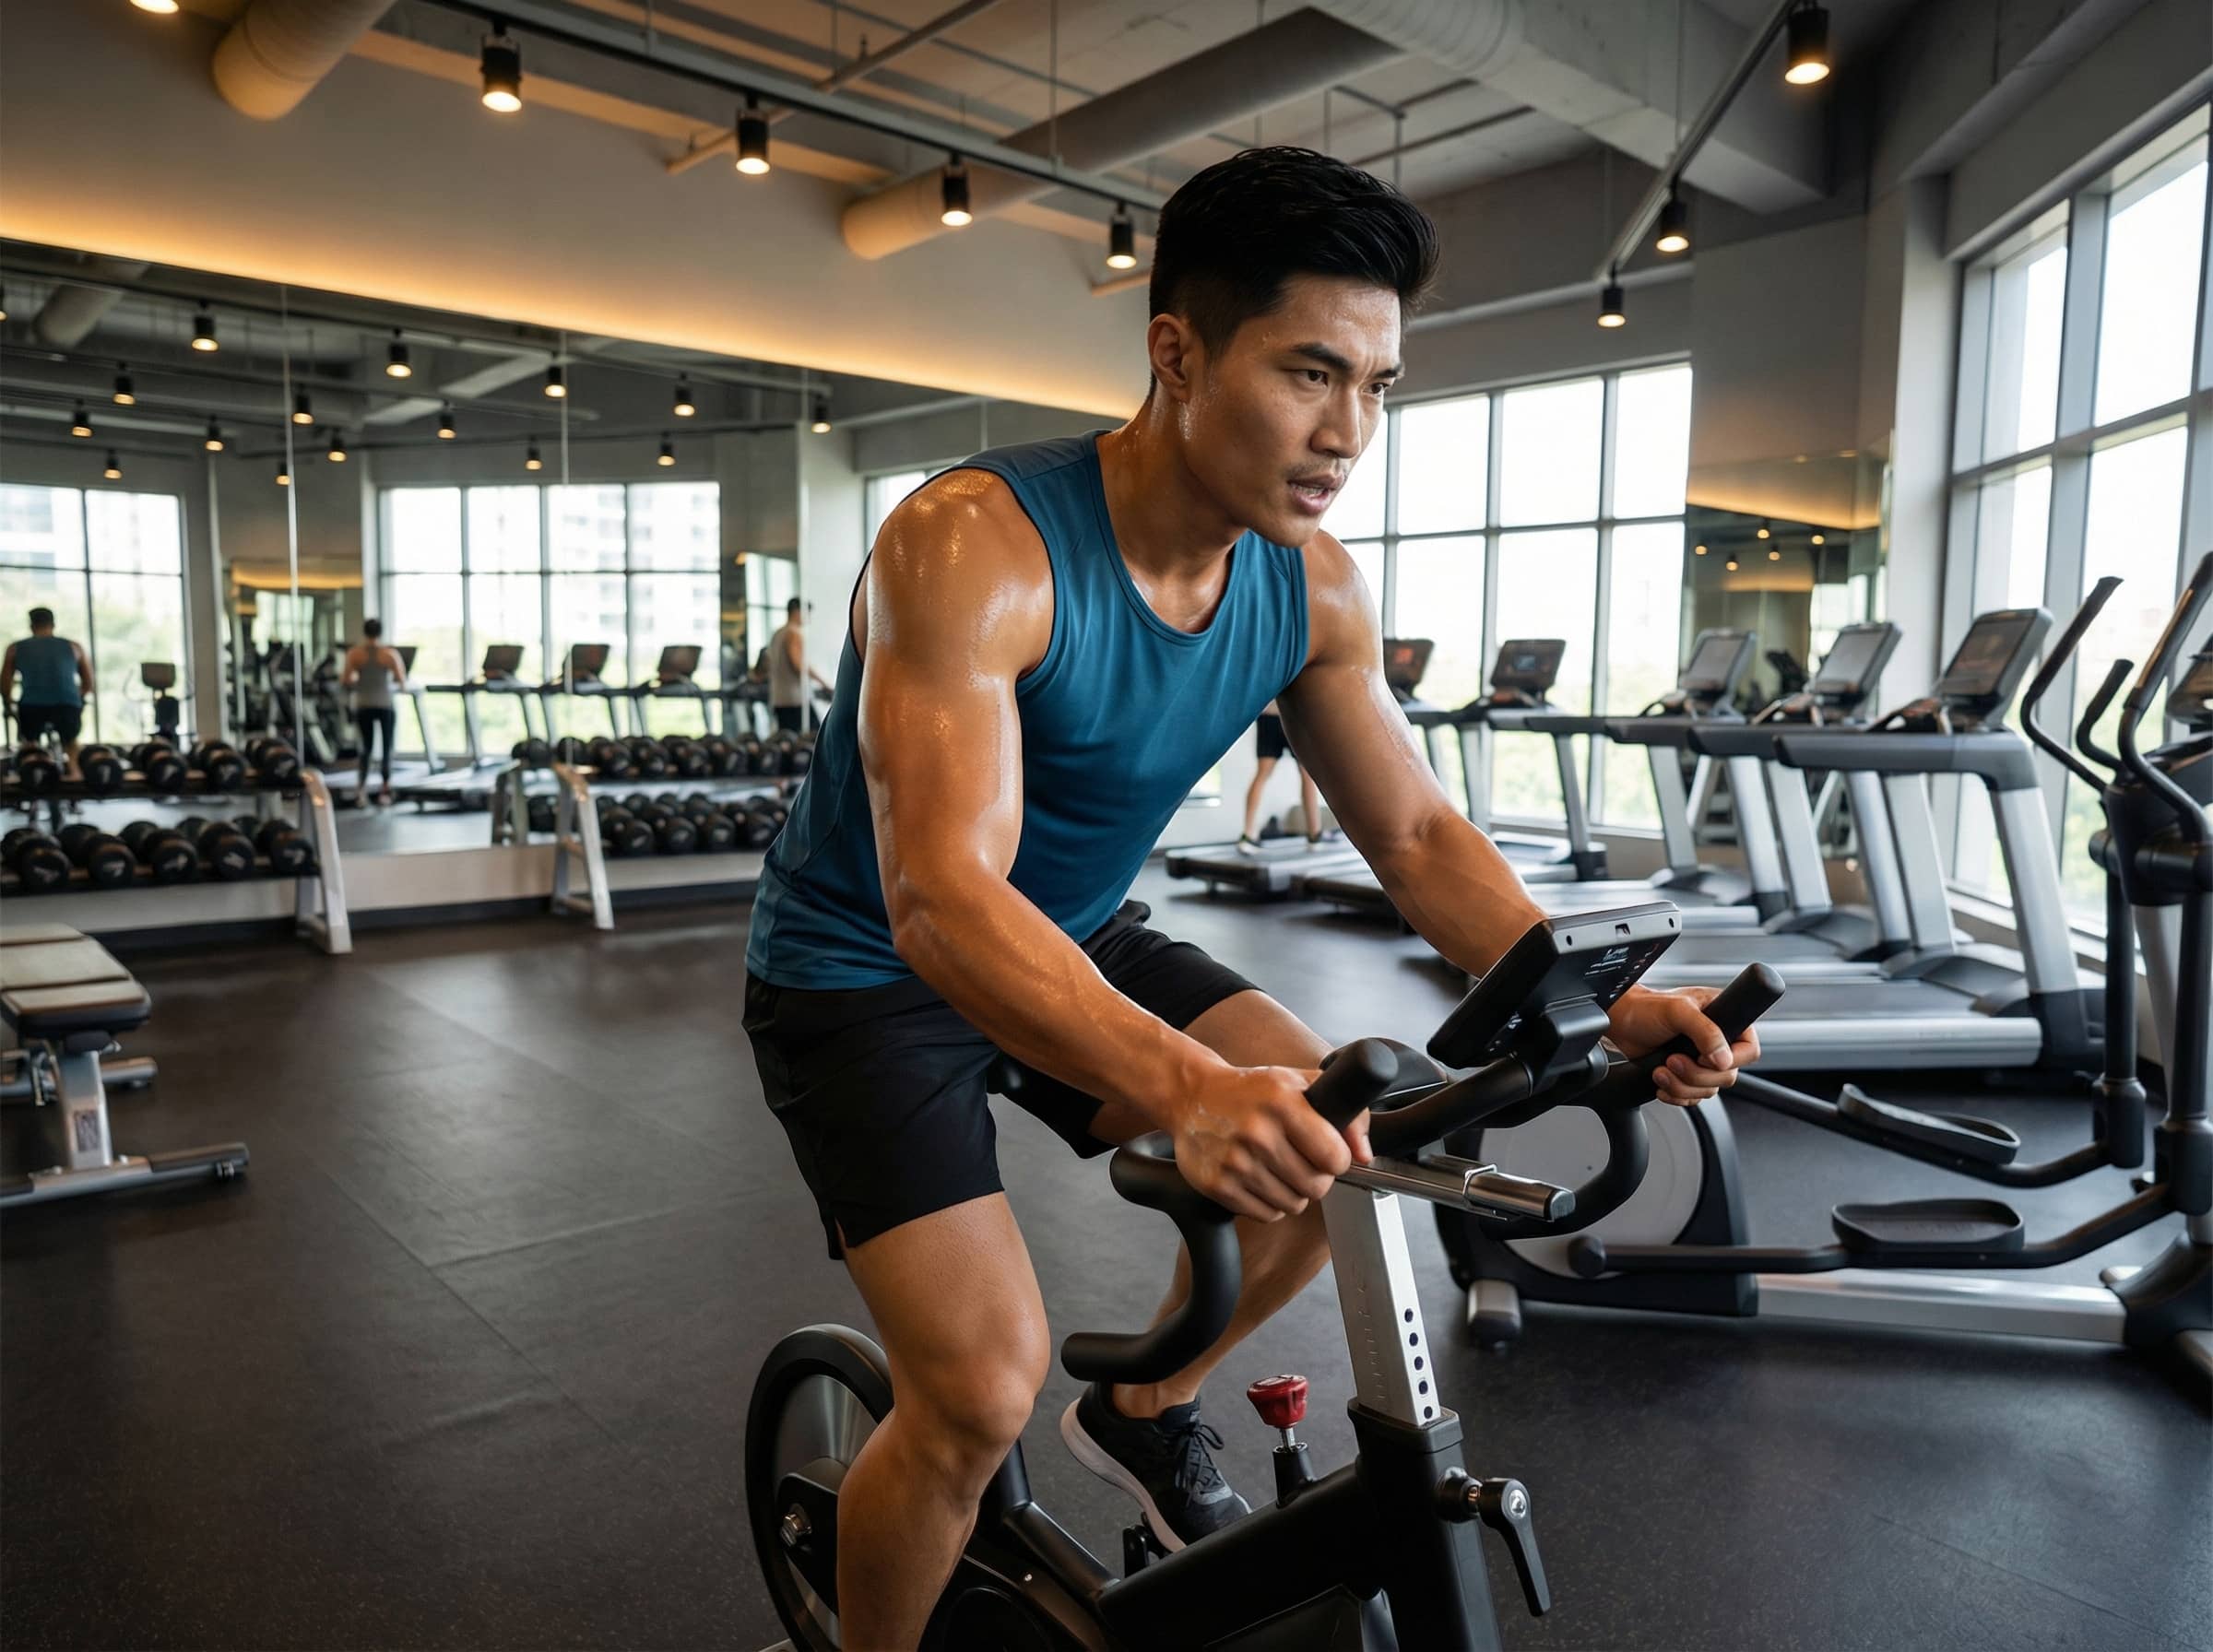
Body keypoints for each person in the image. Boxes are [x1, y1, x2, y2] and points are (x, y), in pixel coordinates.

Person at [743, 147, 1760, 1651]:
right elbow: (942, 899)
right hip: (864, 975)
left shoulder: (1311, 585)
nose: (1348, 431)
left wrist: (1601, 1000)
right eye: (1308, 372)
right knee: (976, 1390)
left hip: (1078, 932)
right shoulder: (974, 546)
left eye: (1377, 386)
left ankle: (1143, 1408)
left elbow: (1413, 832)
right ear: (1177, 353)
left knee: (1343, 1140)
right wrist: (1191, 1088)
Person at [1, 608, 94, 776]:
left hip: (32, 707)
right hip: (67, 705)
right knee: (71, 745)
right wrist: (76, 697)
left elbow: (5, 684)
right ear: (53, 625)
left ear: (31, 626)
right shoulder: (74, 647)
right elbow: (88, 684)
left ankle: (34, 774)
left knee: (30, 745)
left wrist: (9, 702)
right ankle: (75, 775)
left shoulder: (15, 648)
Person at [1236, 696, 1333, 853]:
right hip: (1294, 714)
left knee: (1263, 774)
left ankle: (1248, 835)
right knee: (1307, 774)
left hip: (1269, 714)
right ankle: (1314, 836)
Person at [339, 619, 406, 807]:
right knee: (386, 747)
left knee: (366, 749)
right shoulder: (389, 654)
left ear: (365, 632)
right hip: (384, 704)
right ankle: (385, 791)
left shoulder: (355, 654)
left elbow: (346, 680)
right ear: (380, 633)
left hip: (364, 704)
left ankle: (361, 792)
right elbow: (401, 680)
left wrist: (361, 681)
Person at [764, 596, 833, 735]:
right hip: (795, 700)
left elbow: (768, 663)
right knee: (816, 737)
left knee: (787, 739)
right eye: (806, 613)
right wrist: (825, 684)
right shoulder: (793, 633)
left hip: (779, 698)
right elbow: (799, 665)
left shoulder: (777, 633)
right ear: (797, 612)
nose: (808, 618)